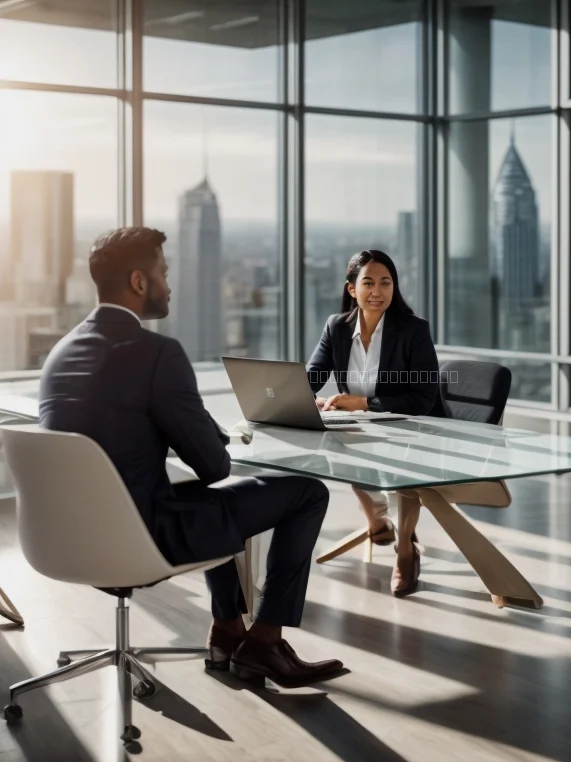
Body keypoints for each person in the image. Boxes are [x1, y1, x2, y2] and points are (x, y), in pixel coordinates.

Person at [38, 227, 343, 688]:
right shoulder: (157, 352)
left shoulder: (59, 353)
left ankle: (226, 629)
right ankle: (264, 642)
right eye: (164, 271)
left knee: (198, 495)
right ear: (140, 282)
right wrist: (199, 430)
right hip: (142, 538)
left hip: (65, 539)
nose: (169, 283)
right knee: (308, 493)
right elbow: (215, 466)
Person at [306, 249, 439, 596]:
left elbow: (424, 398)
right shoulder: (336, 328)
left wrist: (364, 403)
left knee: (402, 474)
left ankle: (406, 549)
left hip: (411, 430)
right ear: (352, 289)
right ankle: (379, 523)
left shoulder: (413, 331)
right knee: (339, 448)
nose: (377, 291)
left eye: (386, 282)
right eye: (368, 283)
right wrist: (312, 400)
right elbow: (310, 378)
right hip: (361, 432)